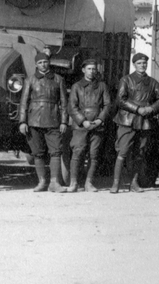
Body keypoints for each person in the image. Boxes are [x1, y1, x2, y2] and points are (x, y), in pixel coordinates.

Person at [112, 52, 159, 193]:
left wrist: (151, 108)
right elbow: (121, 100)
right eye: (139, 63)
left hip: (145, 122)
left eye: (144, 63)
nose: (142, 65)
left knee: (139, 153)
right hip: (127, 120)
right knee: (123, 151)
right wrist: (137, 109)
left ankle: (134, 183)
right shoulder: (126, 80)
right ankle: (116, 183)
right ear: (134, 64)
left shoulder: (152, 82)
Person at [19, 58, 69, 193]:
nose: (43, 64)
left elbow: (64, 103)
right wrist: (22, 121)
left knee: (56, 151)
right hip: (34, 120)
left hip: (53, 120)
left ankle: (54, 182)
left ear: (49, 63)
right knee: (37, 152)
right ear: (36, 64)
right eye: (40, 62)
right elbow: (23, 102)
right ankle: (42, 182)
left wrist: (64, 121)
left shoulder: (59, 79)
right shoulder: (30, 80)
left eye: (45, 62)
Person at [67, 59, 113, 193]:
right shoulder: (77, 86)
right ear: (83, 70)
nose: (91, 71)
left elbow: (107, 105)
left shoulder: (102, 86)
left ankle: (89, 183)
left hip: (97, 125)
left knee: (94, 154)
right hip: (81, 125)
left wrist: (99, 120)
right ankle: (74, 183)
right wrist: (83, 121)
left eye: (93, 69)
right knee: (77, 152)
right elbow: (72, 106)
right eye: (89, 69)